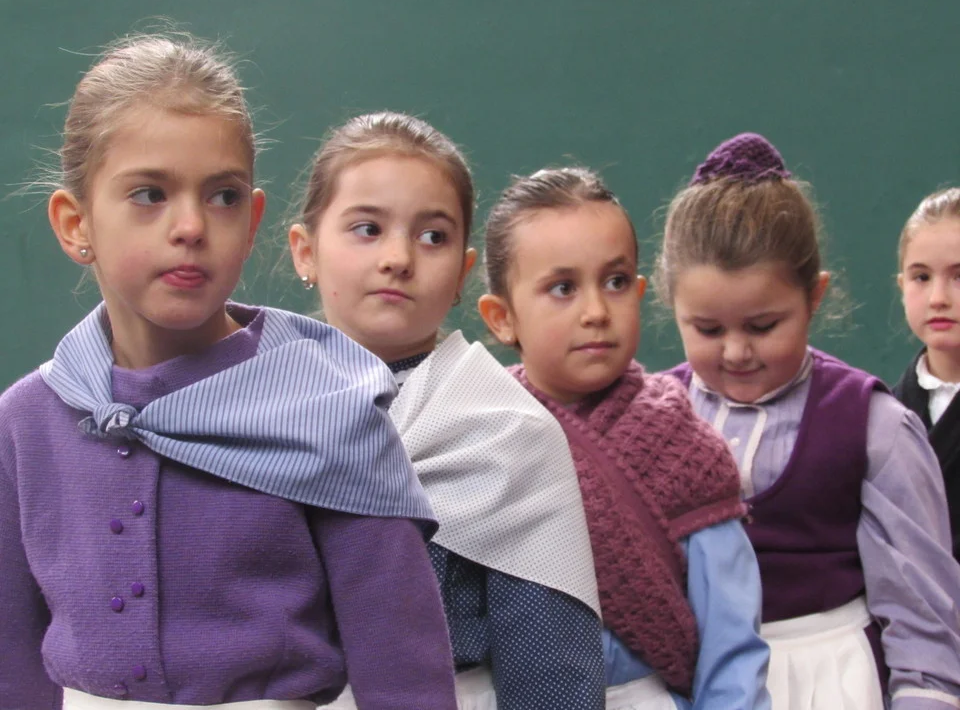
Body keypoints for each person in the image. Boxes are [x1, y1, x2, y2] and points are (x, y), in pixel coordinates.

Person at [0, 35, 457, 710]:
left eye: (223, 196)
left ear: (252, 222)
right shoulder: (25, 421)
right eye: (149, 194)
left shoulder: (326, 408)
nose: (191, 226)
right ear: (75, 224)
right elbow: (10, 664)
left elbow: (406, 679)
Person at [288, 111, 606, 710]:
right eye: (367, 228)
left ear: (463, 272)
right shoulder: (238, 411)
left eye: (433, 236)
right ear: (306, 251)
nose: (398, 257)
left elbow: (553, 676)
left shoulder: (509, 434)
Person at [658, 132, 960, 708]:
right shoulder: (653, 418)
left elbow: (923, 614)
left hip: (833, 683)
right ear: (672, 305)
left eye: (764, 326)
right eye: (708, 329)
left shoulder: (872, 425)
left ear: (814, 296)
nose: (737, 352)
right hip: (689, 684)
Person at [477, 165, 770, 710]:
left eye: (615, 283)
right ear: (501, 317)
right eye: (563, 288)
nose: (595, 312)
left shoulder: (687, 453)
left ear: (638, 292)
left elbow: (731, 651)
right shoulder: (480, 443)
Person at [893, 187, 960, 562]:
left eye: (959, 276)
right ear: (901, 286)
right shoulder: (882, 412)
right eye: (921, 277)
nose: (938, 298)